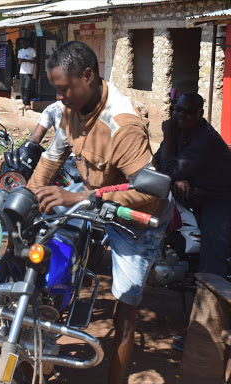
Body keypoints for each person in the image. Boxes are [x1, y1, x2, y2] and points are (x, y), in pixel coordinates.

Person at [26, 41, 173, 384]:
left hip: (136, 218)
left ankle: (116, 379)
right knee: (44, 247)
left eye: (64, 88)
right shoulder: (70, 107)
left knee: (125, 301)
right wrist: (28, 196)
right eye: (56, 89)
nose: (59, 96)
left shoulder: (123, 126)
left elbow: (148, 194)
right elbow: (52, 157)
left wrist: (77, 198)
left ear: (88, 77)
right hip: (94, 196)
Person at [154, 92, 231, 277]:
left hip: (218, 198)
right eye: (177, 109)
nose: (181, 114)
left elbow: (168, 171)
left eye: (188, 111)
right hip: (194, 192)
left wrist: (168, 136)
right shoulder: (180, 131)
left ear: (200, 113)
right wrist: (177, 177)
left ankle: (210, 294)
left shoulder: (204, 139)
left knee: (212, 255)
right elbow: (158, 161)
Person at [17, 37, 36, 110]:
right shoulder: (20, 51)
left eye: (23, 43)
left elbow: (35, 61)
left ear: (27, 42)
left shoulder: (32, 50)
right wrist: (20, 61)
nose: (22, 44)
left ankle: (28, 103)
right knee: (22, 88)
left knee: (27, 87)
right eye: (21, 43)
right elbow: (19, 61)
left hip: (29, 71)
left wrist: (26, 60)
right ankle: (24, 103)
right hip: (22, 71)